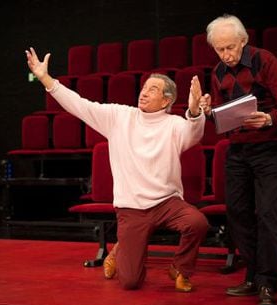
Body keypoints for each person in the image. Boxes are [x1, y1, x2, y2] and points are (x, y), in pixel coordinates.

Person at [25, 47, 209, 292]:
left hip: (167, 203)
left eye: (152, 90)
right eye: (144, 88)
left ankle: (180, 269)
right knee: (131, 282)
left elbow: (194, 133)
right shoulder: (119, 117)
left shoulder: (175, 125)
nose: (143, 93)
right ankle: (119, 250)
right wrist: (45, 78)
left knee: (197, 222)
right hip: (131, 207)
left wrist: (195, 110)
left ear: (166, 101)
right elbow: (79, 105)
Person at [199, 14, 277, 305]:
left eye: (230, 47)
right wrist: (208, 111)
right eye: (220, 49)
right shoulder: (218, 71)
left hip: (272, 145)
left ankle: (267, 283)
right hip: (239, 148)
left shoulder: (265, 61)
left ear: (244, 41)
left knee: (267, 215)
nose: (226, 55)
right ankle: (253, 276)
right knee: (238, 213)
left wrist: (268, 118)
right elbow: (222, 118)